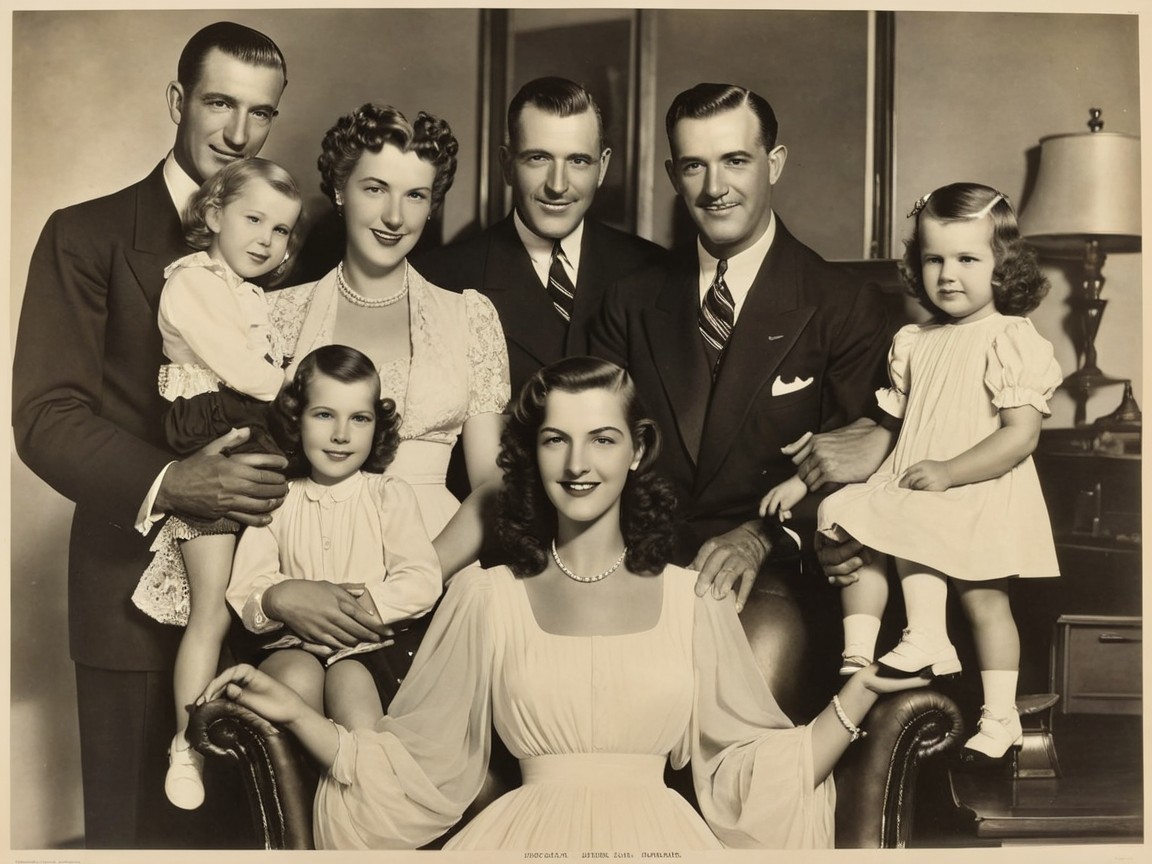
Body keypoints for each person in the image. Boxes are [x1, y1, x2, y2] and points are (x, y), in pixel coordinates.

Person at [198, 356, 929, 850]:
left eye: (602, 439)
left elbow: (749, 775)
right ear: (532, 453)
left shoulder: (692, 600)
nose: (579, 466)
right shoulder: (483, 599)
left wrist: (857, 695)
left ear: (637, 451)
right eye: (556, 441)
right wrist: (297, 712)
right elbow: (410, 772)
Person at [12, 21, 290, 847]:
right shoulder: (85, 233)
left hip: (258, 604)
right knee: (135, 841)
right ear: (177, 101)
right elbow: (45, 417)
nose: (239, 133)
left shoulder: (274, 239)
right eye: (218, 103)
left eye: (261, 113)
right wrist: (171, 482)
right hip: (125, 607)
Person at [588, 82, 891, 610]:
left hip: (778, 569)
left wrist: (760, 536)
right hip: (640, 563)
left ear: (773, 164)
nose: (715, 188)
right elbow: (596, 446)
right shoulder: (628, 302)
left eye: (735, 160)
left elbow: (862, 464)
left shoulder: (844, 303)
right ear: (672, 176)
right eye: (694, 166)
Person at [812, 184, 1061, 764]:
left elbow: (1019, 434)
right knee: (853, 513)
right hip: (921, 478)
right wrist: (814, 483)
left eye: (968, 259)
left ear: (1004, 266)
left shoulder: (1010, 337)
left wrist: (950, 471)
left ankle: (1000, 717)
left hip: (978, 482)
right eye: (934, 258)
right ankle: (867, 651)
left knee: (983, 600)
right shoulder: (913, 341)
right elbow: (887, 431)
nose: (948, 275)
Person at [264, 104, 510, 661]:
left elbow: (494, 489)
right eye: (376, 188)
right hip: (312, 576)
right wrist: (296, 593)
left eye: (416, 196)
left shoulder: (468, 316)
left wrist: (399, 588)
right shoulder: (276, 315)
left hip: (441, 574)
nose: (395, 216)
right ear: (340, 189)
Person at [123, 157, 302, 811]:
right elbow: (241, 371)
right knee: (211, 609)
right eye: (254, 218)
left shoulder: (248, 292)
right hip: (213, 429)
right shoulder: (192, 283)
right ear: (215, 212)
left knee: (260, 597)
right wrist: (298, 395)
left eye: (281, 230)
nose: (267, 239)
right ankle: (185, 745)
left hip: (251, 423)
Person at [227, 345, 441, 733]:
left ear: (377, 425)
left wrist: (349, 613)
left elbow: (421, 580)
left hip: (372, 649)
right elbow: (246, 588)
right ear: (297, 419)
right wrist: (281, 599)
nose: (341, 435)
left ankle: (362, 789)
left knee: (350, 686)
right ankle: (303, 790)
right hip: (294, 644)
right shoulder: (277, 500)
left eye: (359, 418)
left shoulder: (387, 494)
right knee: (292, 677)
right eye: (324, 415)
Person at [415, 76, 667, 398]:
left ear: (602, 167)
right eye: (538, 158)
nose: (558, 185)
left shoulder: (654, 270)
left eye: (578, 161)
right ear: (506, 164)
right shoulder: (439, 280)